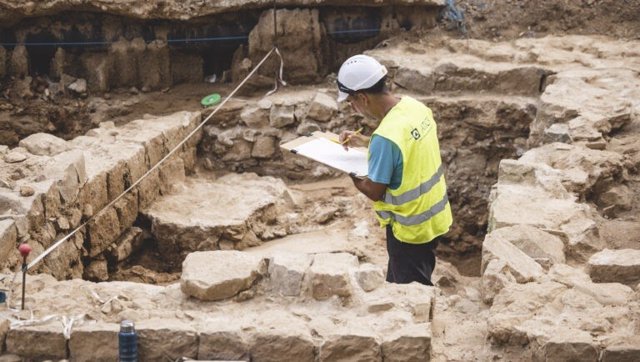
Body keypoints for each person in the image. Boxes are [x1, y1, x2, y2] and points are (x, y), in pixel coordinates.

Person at [336, 54, 453, 286]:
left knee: (411, 293)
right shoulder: (415, 108)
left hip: (409, 228)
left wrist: (348, 169)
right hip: (434, 217)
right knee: (406, 278)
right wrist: (366, 142)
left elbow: (374, 190)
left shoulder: (386, 136)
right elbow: (404, 147)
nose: (353, 108)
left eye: (351, 102)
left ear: (362, 97)